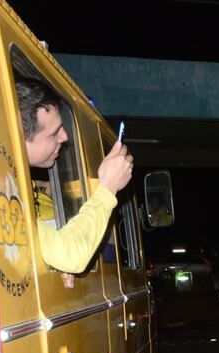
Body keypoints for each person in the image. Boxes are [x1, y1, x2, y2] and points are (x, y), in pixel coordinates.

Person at [17, 77, 133, 276]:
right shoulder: (2, 187)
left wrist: (52, 262)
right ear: (20, 137)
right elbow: (71, 257)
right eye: (54, 133)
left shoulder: (21, 183)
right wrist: (107, 188)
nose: (64, 137)